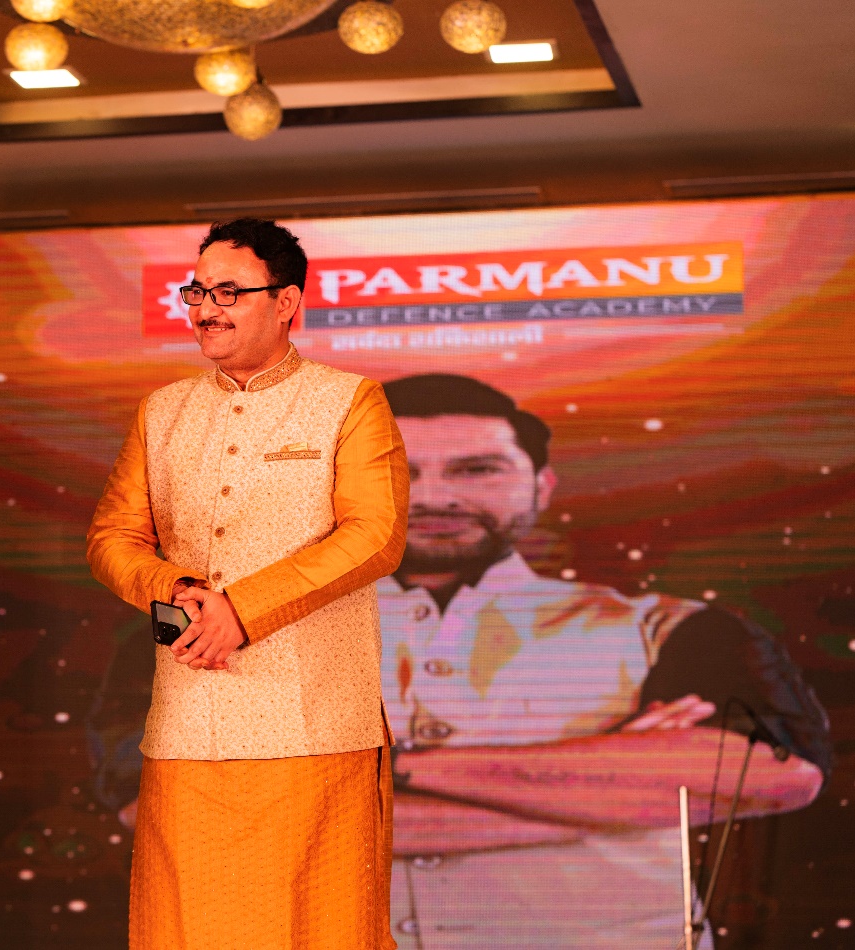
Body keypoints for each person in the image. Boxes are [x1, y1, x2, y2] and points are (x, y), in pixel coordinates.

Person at [379, 373, 830, 949]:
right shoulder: (276, 630)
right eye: (396, 469)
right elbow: (258, 818)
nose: (436, 497)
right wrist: (614, 792)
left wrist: (395, 769)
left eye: (477, 470)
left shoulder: (669, 627)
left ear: (542, 485)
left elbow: (776, 774)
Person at [87, 218, 409, 950]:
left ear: (286, 301)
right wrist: (173, 585)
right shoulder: (162, 411)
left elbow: (375, 534)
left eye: (228, 292)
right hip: (188, 724)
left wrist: (244, 609)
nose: (206, 308)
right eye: (197, 292)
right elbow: (112, 538)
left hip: (316, 726)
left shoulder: (349, 401)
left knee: (320, 929)